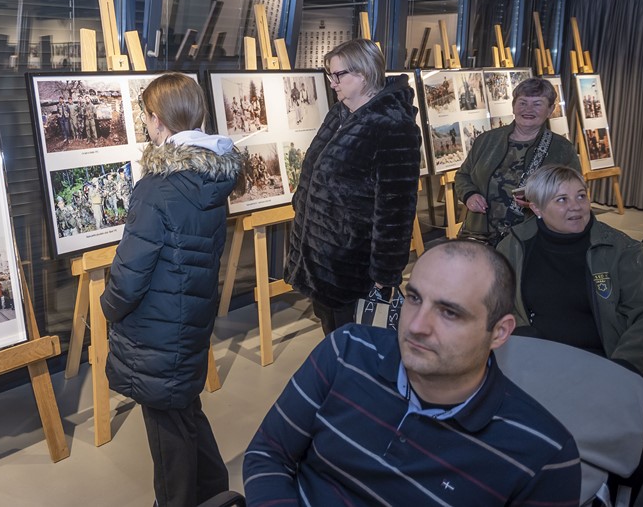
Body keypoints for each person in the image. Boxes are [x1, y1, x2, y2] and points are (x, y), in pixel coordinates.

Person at [244, 241, 582, 506]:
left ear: (499, 332)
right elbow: (268, 453)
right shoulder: (346, 351)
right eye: (414, 298)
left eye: (449, 312)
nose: (417, 326)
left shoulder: (544, 455)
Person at [101, 72, 242, 507]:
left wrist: (108, 307)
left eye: (147, 117)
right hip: (188, 320)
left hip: (156, 329)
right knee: (184, 411)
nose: (146, 125)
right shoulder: (211, 180)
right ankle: (216, 493)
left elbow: (131, 271)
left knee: (167, 437)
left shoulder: (157, 188)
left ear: (157, 120)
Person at [497, 164, 643, 399]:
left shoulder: (624, 250)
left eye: (581, 195)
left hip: (612, 363)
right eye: (561, 199)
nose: (576, 206)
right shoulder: (513, 247)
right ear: (537, 208)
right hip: (540, 363)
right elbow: (502, 307)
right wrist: (528, 348)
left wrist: (618, 371)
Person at [286, 39, 421, 333]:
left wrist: (385, 273)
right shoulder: (340, 113)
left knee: (353, 347)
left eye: (339, 76)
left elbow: (396, 208)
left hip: (352, 264)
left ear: (364, 73)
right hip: (319, 259)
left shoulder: (393, 126)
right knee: (333, 340)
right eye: (329, 75)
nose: (332, 83)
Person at [455, 77, 580, 244]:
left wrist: (540, 202)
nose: (528, 109)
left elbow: (576, 195)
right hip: (480, 237)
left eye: (537, 104)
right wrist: (469, 195)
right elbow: (463, 176)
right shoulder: (486, 140)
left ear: (550, 110)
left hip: (531, 240)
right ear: (513, 106)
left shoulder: (562, 149)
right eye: (522, 102)